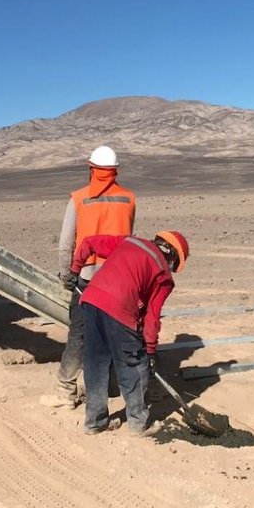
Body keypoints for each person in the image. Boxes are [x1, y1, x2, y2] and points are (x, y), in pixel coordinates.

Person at [66, 230, 188, 436]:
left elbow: (88, 242)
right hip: (119, 309)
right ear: (172, 257)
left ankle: (94, 422)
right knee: (134, 365)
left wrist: (74, 271)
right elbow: (152, 316)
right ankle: (139, 424)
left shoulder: (129, 241)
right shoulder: (163, 275)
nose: (172, 269)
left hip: (91, 300)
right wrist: (149, 350)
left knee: (95, 363)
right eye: (174, 266)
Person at [43, 145, 136, 409]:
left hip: (87, 279)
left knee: (79, 335)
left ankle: (65, 392)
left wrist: (66, 274)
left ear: (91, 169)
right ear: (115, 171)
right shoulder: (129, 198)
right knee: (118, 334)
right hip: (120, 280)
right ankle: (115, 387)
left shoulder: (79, 199)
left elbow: (65, 242)